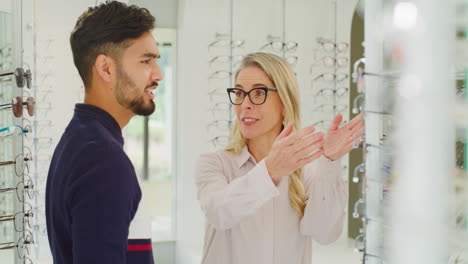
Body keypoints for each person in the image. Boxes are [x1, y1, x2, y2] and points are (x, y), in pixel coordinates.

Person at [195, 52, 364, 264]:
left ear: (285, 103)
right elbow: (219, 212)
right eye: (239, 93)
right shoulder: (215, 163)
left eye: (258, 93)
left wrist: (329, 161)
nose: (244, 104)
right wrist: (270, 171)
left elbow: (325, 233)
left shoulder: (309, 171)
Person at [45, 2, 162, 263]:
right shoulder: (104, 160)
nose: (158, 75)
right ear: (106, 68)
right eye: (146, 61)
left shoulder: (81, 139)